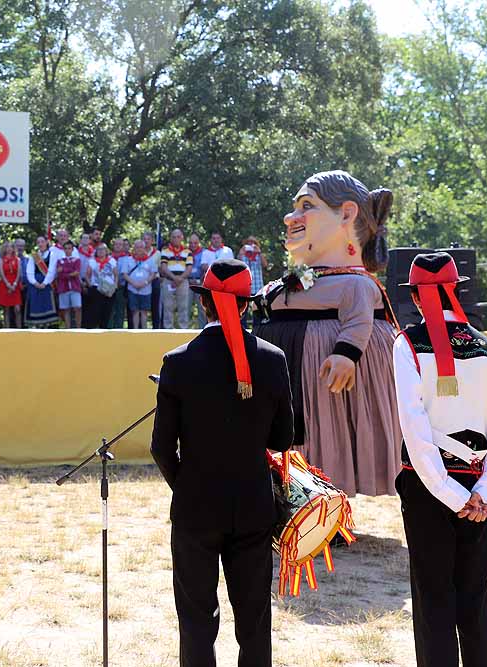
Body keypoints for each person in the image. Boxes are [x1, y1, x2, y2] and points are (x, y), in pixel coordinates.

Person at [152, 259, 293, 667]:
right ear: (246, 307)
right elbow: (283, 438)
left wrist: (189, 484)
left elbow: (161, 447)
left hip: (196, 504)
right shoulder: (272, 359)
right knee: (254, 619)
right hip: (252, 504)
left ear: (205, 306)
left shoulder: (177, 362)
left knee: (196, 618)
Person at [392, 252, 487, 667]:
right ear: (457, 291)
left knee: (433, 600)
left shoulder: (407, 344)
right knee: (472, 597)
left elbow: (415, 429)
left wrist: (449, 492)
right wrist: (483, 491)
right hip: (477, 490)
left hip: (428, 485)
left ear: (415, 295)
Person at [254, 170, 402, 496]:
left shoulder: (356, 283)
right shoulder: (296, 281)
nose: (290, 217)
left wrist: (346, 353)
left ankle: (327, 501)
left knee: (325, 432)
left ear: (347, 214)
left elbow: (359, 319)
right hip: (287, 379)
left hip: (321, 384)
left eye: (306, 205)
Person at [160, 228, 193, 328]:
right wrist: (174, 278)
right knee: (167, 306)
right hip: (168, 281)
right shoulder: (165, 251)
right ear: (171, 238)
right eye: (173, 237)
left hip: (183, 282)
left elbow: (189, 268)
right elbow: (163, 267)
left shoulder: (187, 252)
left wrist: (180, 279)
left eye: (178, 237)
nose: (176, 239)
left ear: (182, 238)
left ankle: (184, 329)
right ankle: (168, 329)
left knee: (183, 306)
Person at [24, 236, 58, 328]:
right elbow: (29, 271)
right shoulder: (34, 256)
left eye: (42, 242)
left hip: (47, 285)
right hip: (35, 286)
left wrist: (44, 283)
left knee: (47, 306)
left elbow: (52, 271)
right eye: (38, 242)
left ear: (46, 242)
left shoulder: (52, 255)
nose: (40, 244)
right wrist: (35, 283)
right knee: (36, 306)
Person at [122, 239, 156, 329]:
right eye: (137, 247)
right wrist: (134, 283)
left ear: (144, 248)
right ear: (134, 248)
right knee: (135, 311)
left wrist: (144, 283)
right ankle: (136, 330)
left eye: (141, 247)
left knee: (144, 311)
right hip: (132, 289)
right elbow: (124, 274)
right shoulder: (128, 260)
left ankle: (144, 330)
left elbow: (153, 274)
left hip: (146, 290)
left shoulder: (150, 260)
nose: (139, 249)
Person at [237, 236, 268, 328]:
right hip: (245, 286)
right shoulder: (243, 255)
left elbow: (265, 264)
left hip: (258, 286)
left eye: (253, 242)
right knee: (243, 309)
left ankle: (257, 327)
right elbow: (237, 265)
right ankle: (243, 328)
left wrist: (259, 252)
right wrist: (240, 253)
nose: (251, 244)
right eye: (248, 242)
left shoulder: (258, 255)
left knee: (258, 308)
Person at [84, 243, 116, 328]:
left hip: (109, 290)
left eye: (103, 249)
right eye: (99, 249)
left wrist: (114, 287)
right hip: (96, 289)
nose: (101, 251)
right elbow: (87, 275)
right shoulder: (92, 261)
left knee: (107, 312)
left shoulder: (112, 261)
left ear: (106, 251)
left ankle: (104, 330)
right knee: (95, 312)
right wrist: (90, 285)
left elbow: (116, 275)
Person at [54, 239, 83, 328]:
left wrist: (64, 270)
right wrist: (69, 271)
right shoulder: (60, 261)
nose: (67, 250)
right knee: (66, 309)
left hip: (75, 287)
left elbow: (77, 272)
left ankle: (78, 328)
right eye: (66, 248)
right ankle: (68, 328)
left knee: (77, 308)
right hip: (63, 287)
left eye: (69, 248)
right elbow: (59, 274)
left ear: (72, 249)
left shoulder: (77, 260)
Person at [0, 241, 22, 327]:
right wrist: (8, 284)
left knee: (17, 309)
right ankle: (7, 329)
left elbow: (18, 273)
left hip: (15, 285)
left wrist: (14, 284)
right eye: (7, 247)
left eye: (11, 247)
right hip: (4, 285)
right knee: (6, 309)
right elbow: (1, 273)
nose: (9, 249)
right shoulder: (1, 260)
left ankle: (20, 330)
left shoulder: (17, 259)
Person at [142, 231, 163, 328]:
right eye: (144, 239)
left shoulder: (157, 253)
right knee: (142, 307)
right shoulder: (139, 252)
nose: (146, 241)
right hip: (142, 281)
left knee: (155, 306)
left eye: (148, 239)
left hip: (154, 281)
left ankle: (156, 328)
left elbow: (159, 268)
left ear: (152, 241)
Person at [109, 238, 130, 328]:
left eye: (120, 244)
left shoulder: (127, 258)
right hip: (109, 287)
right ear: (113, 246)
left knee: (120, 310)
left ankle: (119, 329)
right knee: (109, 309)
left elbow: (127, 272)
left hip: (121, 287)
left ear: (123, 246)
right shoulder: (109, 257)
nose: (118, 246)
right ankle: (108, 329)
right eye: (116, 244)